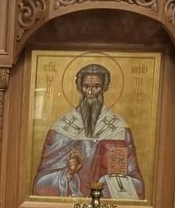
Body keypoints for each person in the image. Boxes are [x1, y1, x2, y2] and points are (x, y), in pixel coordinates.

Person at [31, 63, 145, 199]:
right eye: (86, 86)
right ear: (79, 88)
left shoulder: (119, 130)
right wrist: (69, 173)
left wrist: (109, 181)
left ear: (105, 88)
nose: (90, 92)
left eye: (96, 86)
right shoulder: (60, 130)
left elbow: (137, 186)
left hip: (106, 204)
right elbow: (40, 186)